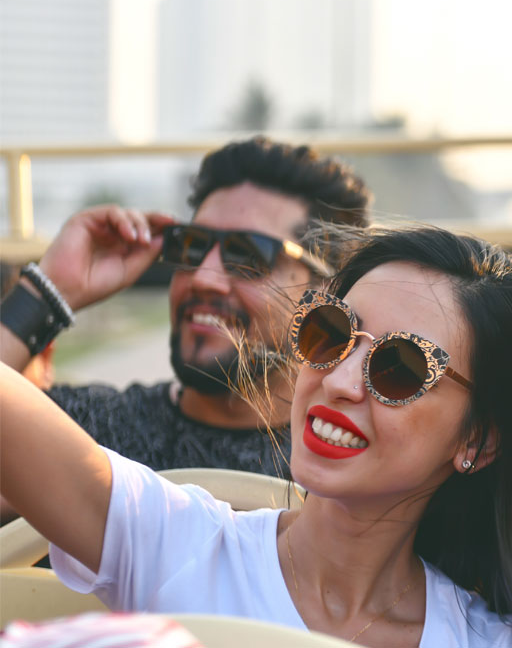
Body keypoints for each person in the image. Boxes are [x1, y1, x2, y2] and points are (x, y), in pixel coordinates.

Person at [0, 226, 512, 647]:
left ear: (478, 442)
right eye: (329, 332)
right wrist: (47, 293)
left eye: (401, 368)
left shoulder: (491, 643)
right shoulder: (177, 540)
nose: (337, 381)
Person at [0, 137, 371, 510]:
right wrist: (48, 290)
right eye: (191, 245)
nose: (203, 277)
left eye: (248, 254)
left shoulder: (346, 469)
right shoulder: (94, 433)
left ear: (326, 295)